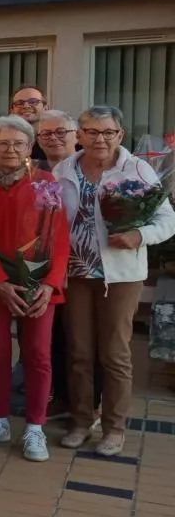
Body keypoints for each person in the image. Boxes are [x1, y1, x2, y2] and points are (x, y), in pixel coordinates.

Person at [53, 106, 175, 455]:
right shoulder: (64, 169)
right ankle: (81, 420)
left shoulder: (136, 168)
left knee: (115, 353)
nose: (100, 139)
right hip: (75, 273)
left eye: (108, 132)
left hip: (119, 276)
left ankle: (114, 427)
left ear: (120, 135)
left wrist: (140, 235)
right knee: (79, 352)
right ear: (79, 135)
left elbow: (167, 219)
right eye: (92, 132)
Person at [0, 116, 69, 462]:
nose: (11, 149)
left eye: (19, 143)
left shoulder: (45, 182)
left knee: (38, 354)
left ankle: (35, 426)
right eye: (3, 143)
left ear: (29, 147)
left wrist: (51, 283)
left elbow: (59, 237)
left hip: (38, 285)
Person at [35, 110, 94, 418]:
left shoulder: (91, 168)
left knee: (84, 341)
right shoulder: (35, 172)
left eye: (61, 132)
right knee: (55, 337)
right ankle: (60, 396)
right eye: (46, 134)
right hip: (45, 270)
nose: (53, 138)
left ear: (77, 136)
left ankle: (90, 405)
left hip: (88, 269)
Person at [10, 86, 48, 158]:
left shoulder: (56, 141)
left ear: (45, 108)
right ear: (12, 111)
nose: (26, 106)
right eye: (19, 103)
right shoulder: (3, 142)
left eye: (33, 102)